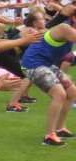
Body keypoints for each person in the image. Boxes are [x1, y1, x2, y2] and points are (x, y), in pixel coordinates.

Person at [20, 11, 76, 146]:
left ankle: (60, 128)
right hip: (32, 64)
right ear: (74, 17)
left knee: (71, 91)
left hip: (46, 64)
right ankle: (49, 136)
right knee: (59, 94)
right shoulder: (65, 28)